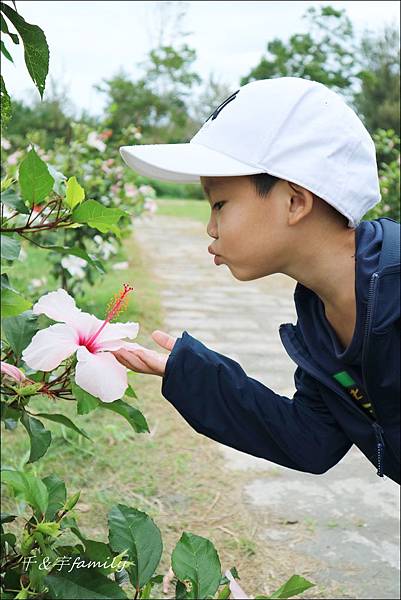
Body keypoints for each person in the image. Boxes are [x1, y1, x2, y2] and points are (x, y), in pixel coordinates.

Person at [114, 77, 400, 484]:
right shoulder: (319, 319)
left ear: (295, 201)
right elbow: (311, 439)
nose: (211, 228)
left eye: (220, 204)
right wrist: (190, 374)